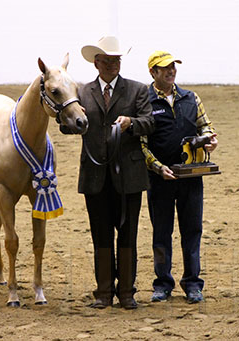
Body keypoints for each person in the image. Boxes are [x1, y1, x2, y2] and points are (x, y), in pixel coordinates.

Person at [62, 36, 155, 309]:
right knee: (101, 235)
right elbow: (67, 124)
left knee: (127, 235)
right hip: (94, 176)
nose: (114, 64)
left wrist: (131, 123)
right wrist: (71, 123)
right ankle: (103, 293)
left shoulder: (137, 90)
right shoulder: (81, 92)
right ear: (96, 63)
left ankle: (126, 293)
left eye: (117, 60)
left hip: (129, 176)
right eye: (108, 60)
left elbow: (150, 122)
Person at [141, 51, 218, 304]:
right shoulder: (145, 102)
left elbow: (205, 126)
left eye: (173, 67)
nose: (171, 71)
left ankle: (193, 283)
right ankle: (162, 284)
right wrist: (157, 167)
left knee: (192, 231)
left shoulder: (191, 98)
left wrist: (209, 141)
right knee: (161, 233)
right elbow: (141, 144)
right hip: (160, 180)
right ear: (153, 72)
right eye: (164, 68)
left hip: (192, 178)